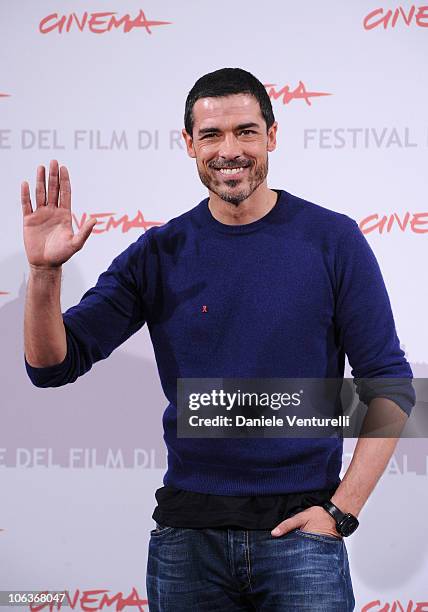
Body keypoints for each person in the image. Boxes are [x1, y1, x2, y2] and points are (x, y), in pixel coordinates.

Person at [22, 68, 414, 611]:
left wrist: (341, 511)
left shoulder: (332, 240)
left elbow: (390, 388)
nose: (230, 150)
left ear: (271, 136)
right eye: (211, 135)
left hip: (303, 535)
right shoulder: (159, 252)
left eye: (246, 132)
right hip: (188, 538)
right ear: (189, 144)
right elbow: (51, 365)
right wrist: (44, 274)